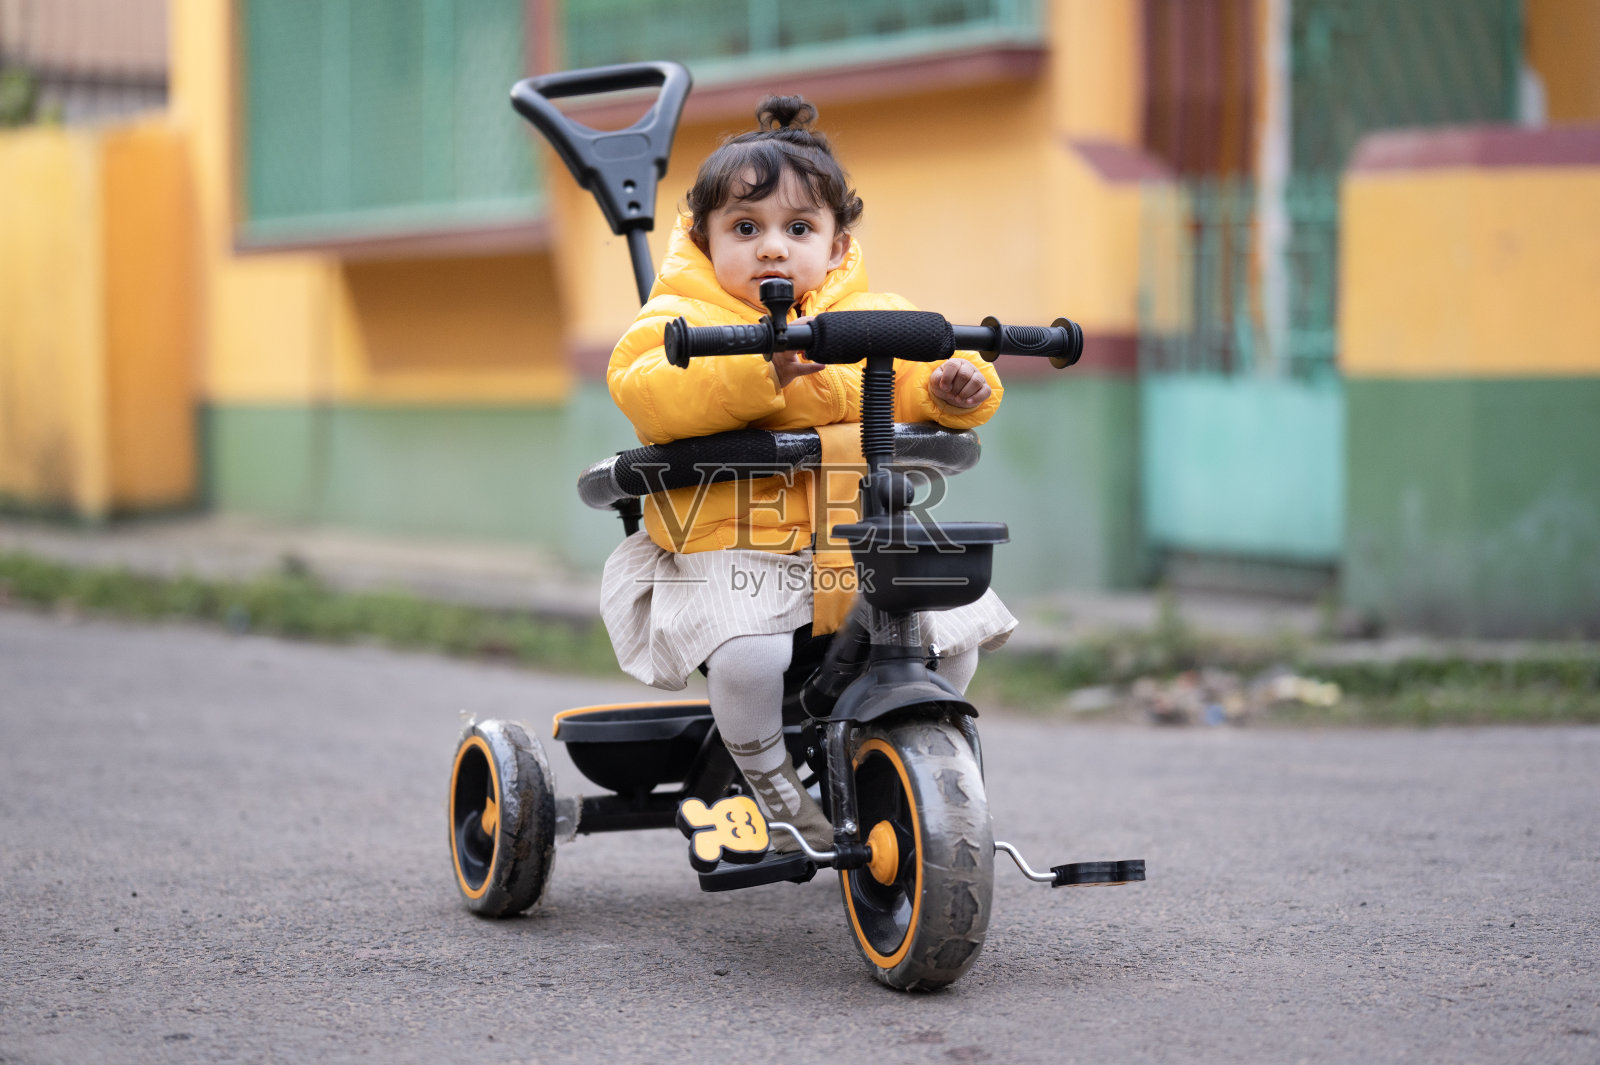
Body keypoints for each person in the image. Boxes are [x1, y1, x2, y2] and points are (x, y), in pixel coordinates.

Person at [600, 95, 1015, 853]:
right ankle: (773, 781)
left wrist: (957, 388)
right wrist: (760, 371)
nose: (771, 250)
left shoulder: (872, 314)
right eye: (746, 229)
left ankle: (903, 750)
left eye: (798, 230)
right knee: (749, 654)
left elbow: (921, 370)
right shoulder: (674, 324)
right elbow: (648, 393)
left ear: (835, 245)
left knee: (949, 633)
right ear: (702, 238)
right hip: (731, 545)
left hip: (849, 537)